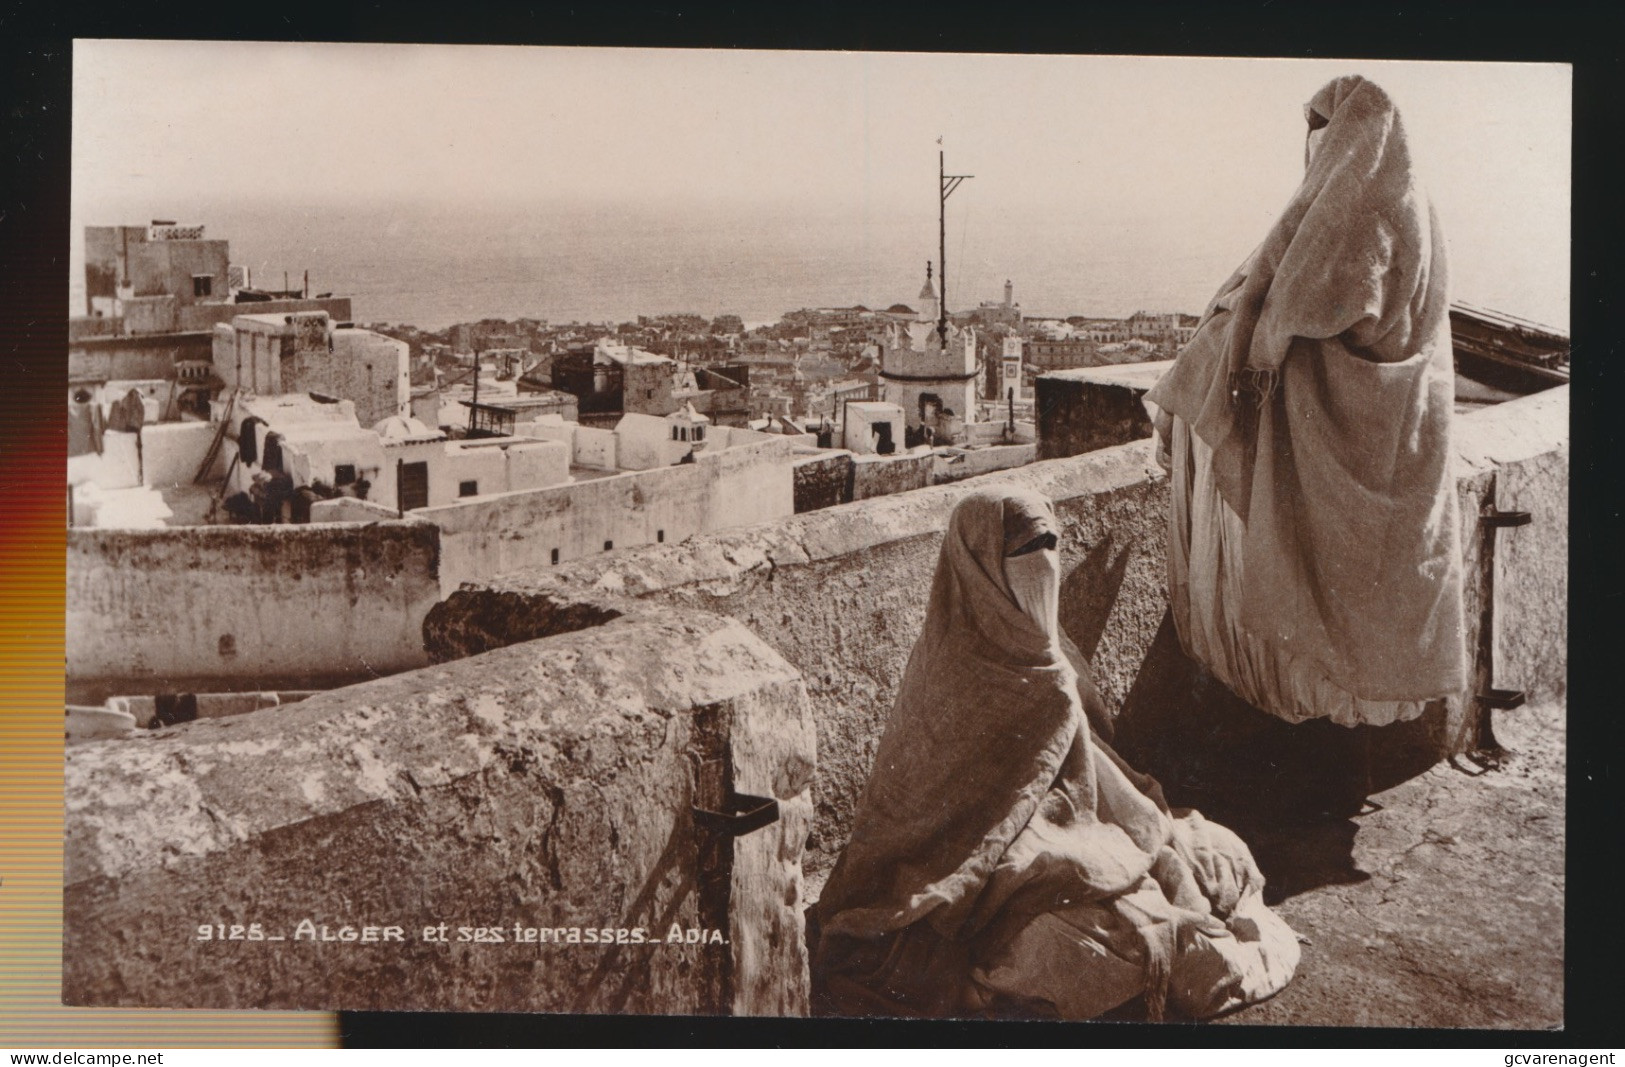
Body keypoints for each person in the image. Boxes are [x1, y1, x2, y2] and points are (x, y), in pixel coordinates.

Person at [812, 487, 1299, 1021]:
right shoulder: (949, 667)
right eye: (1023, 552)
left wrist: (1131, 839)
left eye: (1050, 545)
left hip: (1056, 840)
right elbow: (922, 810)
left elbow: (1092, 775)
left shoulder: (1052, 662)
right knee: (1074, 946)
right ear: (979, 566)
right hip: (961, 867)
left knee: (1190, 876)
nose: (1040, 565)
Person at [1143, 75, 1466, 732]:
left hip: (1344, 453)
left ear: (1345, 135)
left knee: (1319, 631)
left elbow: (1291, 311)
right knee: (1360, 628)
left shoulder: (1353, 208)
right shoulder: (1413, 202)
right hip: (1399, 445)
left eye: (1320, 134)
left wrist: (1240, 335)